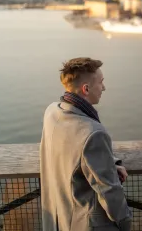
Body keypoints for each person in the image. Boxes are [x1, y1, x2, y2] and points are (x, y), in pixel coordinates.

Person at [40, 57, 132, 231]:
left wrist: (110, 162)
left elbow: (75, 147)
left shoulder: (51, 111)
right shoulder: (93, 132)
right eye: (101, 82)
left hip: (58, 217)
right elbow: (109, 191)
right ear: (86, 88)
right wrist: (125, 222)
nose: (104, 87)